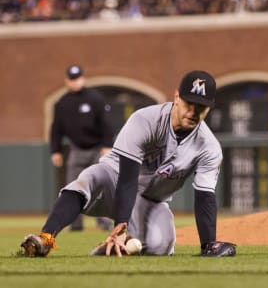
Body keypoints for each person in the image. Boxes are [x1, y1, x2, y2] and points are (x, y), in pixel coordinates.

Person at [20, 70, 236, 258]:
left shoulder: (209, 147)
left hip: (150, 201)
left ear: (209, 108)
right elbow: (127, 177)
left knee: (162, 246)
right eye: (190, 103)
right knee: (88, 179)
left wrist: (209, 244)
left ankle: (111, 250)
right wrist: (121, 224)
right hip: (114, 179)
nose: (193, 112)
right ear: (177, 97)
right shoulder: (145, 119)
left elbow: (205, 196)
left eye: (201, 107)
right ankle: (45, 238)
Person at [50, 65, 114, 231]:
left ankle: (104, 223)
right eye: (72, 79)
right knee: (73, 187)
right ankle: (75, 224)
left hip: (97, 149)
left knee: (100, 185)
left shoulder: (95, 98)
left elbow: (107, 124)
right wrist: (55, 150)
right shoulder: (62, 103)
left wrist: (107, 145)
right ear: (67, 81)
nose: (75, 82)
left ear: (83, 79)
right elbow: (56, 129)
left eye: (77, 78)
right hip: (76, 149)